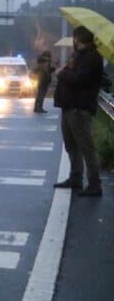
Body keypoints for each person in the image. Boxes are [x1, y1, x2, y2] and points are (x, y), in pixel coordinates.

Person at [53, 26, 104, 197]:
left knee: (86, 147)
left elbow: (79, 79)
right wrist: (66, 69)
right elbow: (73, 73)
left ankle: (94, 184)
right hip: (69, 106)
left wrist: (61, 74)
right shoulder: (79, 56)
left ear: (78, 39)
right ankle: (75, 177)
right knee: (71, 145)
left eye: (74, 38)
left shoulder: (92, 57)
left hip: (79, 108)